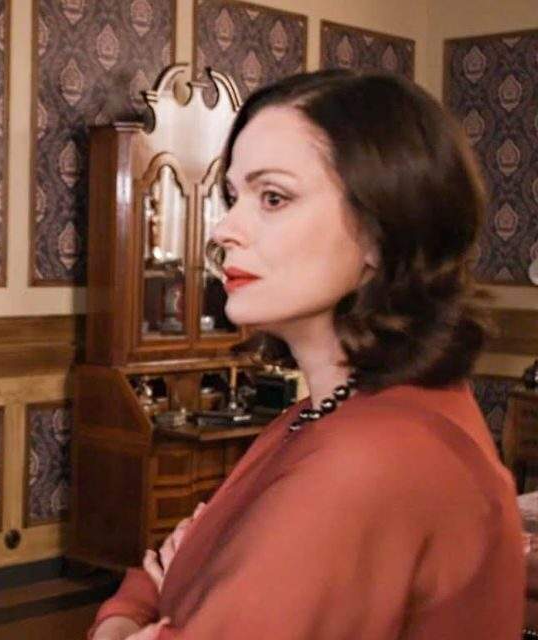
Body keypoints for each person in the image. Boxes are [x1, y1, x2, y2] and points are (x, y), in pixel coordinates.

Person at [89, 70, 524, 639]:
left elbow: (172, 584)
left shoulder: (373, 457)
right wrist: (132, 614)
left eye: (273, 198)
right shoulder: (323, 415)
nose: (223, 230)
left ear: (383, 230)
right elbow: (160, 577)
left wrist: (127, 621)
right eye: (232, 197)